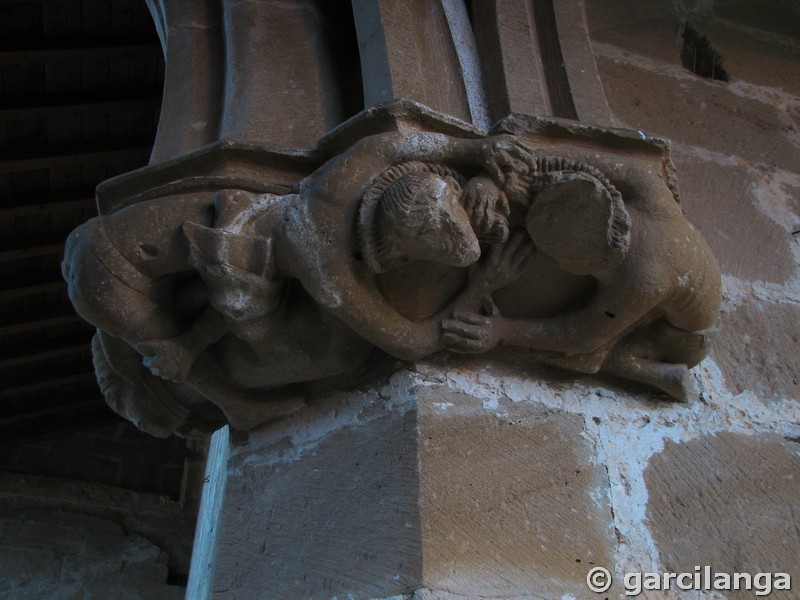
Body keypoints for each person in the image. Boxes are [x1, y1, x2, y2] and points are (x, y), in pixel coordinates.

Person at [62, 130, 530, 427]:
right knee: (173, 354)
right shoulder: (329, 270)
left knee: (193, 334)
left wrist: (476, 151)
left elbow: (398, 144)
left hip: (132, 247)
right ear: (397, 255)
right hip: (107, 275)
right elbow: (412, 343)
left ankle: (213, 386)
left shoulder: (343, 180)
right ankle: (233, 403)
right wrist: (481, 286)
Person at [442, 167, 722, 401]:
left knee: (585, 357)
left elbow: (584, 335)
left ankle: (651, 371)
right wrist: (497, 176)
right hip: (670, 300)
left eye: (568, 262)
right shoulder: (648, 189)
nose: (562, 267)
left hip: (677, 340)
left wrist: (503, 330)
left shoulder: (641, 279)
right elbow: (556, 154)